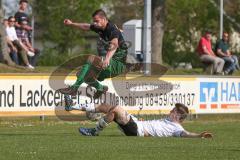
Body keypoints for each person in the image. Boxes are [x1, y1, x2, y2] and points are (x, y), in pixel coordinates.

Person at [63, 96, 213, 138]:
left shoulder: (176, 127)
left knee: (116, 109)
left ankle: (94, 132)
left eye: (174, 110)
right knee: (107, 107)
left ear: (178, 115)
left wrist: (199, 135)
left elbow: (185, 134)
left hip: (137, 132)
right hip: (136, 124)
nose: (171, 110)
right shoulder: (168, 120)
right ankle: (74, 105)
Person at [58, 9, 128, 99]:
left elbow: (114, 44)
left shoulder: (112, 29)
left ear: (104, 19)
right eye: (94, 21)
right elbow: (86, 26)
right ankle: (100, 88)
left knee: (91, 59)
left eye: (97, 21)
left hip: (118, 64)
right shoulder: (99, 27)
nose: (94, 23)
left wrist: (107, 59)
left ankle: (74, 89)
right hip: (110, 65)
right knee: (81, 74)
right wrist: (72, 24)